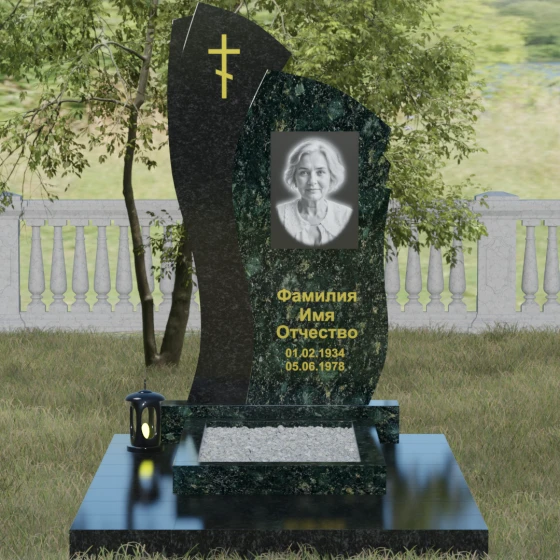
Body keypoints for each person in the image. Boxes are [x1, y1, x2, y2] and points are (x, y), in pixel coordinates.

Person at [276, 139, 352, 247]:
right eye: (303, 172)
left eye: (320, 172)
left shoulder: (347, 216)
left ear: (331, 177)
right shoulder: (278, 215)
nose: (312, 181)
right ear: (294, 177)